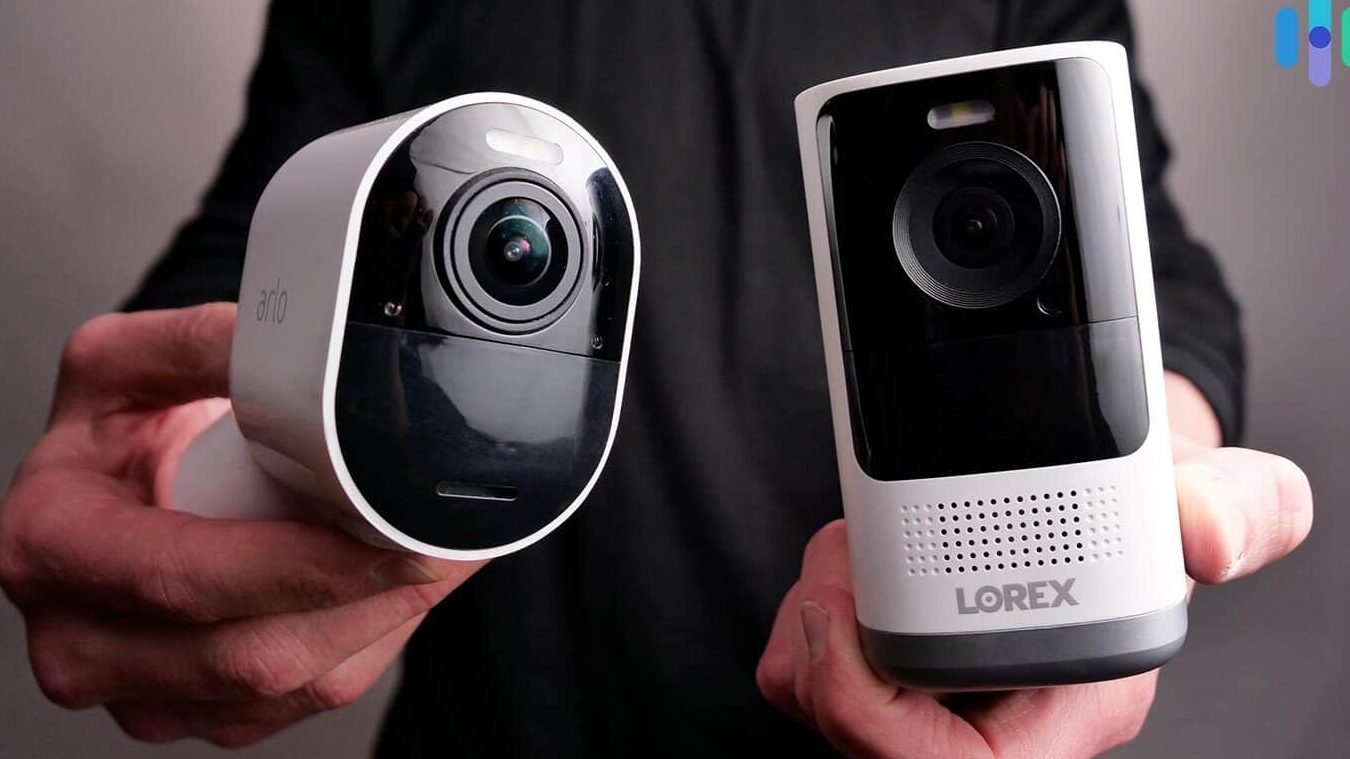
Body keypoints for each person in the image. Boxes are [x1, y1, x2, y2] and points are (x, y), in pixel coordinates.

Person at [0, 1, 1314, 757]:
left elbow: (1151, 268)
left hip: (914, 689)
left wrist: (1136, 476)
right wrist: (182, 452)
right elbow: (273, 239)